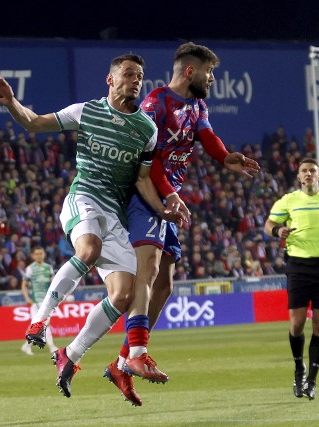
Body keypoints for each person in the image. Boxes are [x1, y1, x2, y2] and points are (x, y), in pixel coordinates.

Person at [0, 53, 187, 402]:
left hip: (117, 217)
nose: (135, 80)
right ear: (110, 80)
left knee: (125, 294)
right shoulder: (86, 112)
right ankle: (41, 319)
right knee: (88, 250)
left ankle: (71, 355)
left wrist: (163, 210)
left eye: (139, 75)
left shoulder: (147, 129)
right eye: (127, 74)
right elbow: (34, 123)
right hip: (84, 199)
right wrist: (12, 103)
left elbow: (142, 180)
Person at [108, 42, 260, 402]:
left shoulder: (198, 105)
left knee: (164, 284)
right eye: (210, 72)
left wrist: (227, 159)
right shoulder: (156, 104)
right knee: (147, 269)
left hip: (169, 199)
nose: (212, 79)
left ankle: (121, 362)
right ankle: (138, 354)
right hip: (145, 195)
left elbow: (207, 137)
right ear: (190, 71)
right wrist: (168, 195)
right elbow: (149, 161)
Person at [264, 157, 319, 401]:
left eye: (312, 170)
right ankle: (299, 369)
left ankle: (312, 380)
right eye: (304, 170)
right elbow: (268, 223)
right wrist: (277, 231)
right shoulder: (288, 200)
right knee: (296, 323)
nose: (308, 174)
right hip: (298, 264)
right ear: (299, 176)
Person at [20, 246, 58, 356]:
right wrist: (27, 298)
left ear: (44, 254)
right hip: (36, 300)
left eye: (40, 253)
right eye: (36, 254)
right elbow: (24, 285)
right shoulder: (30, 269)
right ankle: (51, 347)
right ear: (32, 256)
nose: (39, 256)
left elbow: (54, 284)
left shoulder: (48, 268)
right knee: (43, 324)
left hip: (47, 300)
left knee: (40, 325)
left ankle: (27, 346)